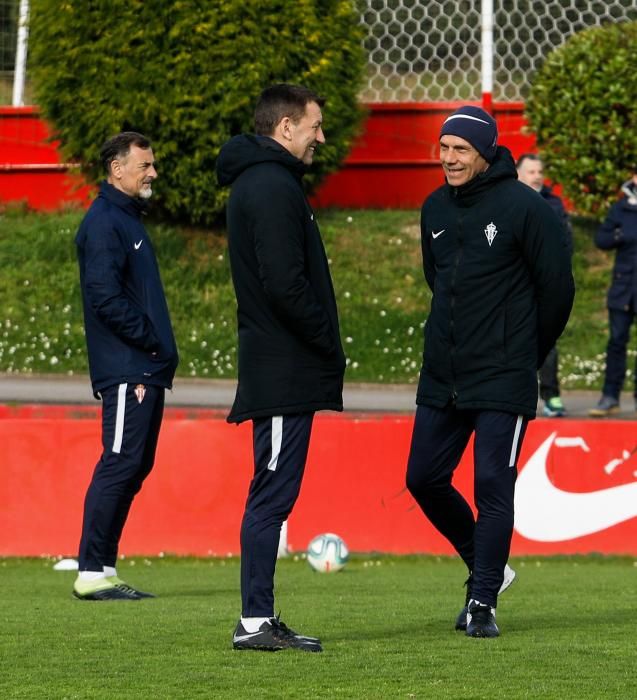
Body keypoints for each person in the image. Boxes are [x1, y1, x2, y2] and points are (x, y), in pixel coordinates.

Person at [406, 106, 574, 638]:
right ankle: (491, 568)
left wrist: (524, 348)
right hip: (444, 372)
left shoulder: (527, 209)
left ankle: (482, 604)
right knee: (423, 478)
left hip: (504, 373)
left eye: (459, 149)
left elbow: (559, 290)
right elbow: (439, 283)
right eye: (443, 147)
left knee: (491, 484)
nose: (448, 158)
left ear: (484, 152)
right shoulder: (433, 208)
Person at [216, 84, 346, 653]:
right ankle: (254, 622)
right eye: (315, 125)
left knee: (275, 492)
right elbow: (284, 284)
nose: (322, 136)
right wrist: (326, 342)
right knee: (271, 494)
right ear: (286, 128)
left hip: (286, 366)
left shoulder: (272, 182)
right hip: (282, 369)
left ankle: (260, 617)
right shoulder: (269, 186)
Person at [73, 132, 179, 600]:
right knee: (119, 462)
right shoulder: (104, 222)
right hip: (129, 369)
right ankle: (91, 571)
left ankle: (103, 568)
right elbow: (104, 298)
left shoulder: (127, 219)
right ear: (117, 169)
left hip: (143, 367)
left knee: (134, 465)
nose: (153, 172)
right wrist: (149, 342)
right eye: (145, 165)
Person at [517, 153, 574, 417]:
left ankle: (551, 396)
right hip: (512, 286)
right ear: (518, 172)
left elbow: (565, 244)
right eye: (531, 171)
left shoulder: (554, 204)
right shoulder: (506, 201)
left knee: (547, 341)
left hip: (542, 286)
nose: (537, 176)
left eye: (540, 171)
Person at [589, 167, 637, 417]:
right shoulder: (620, 208)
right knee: (617, 342)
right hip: (623, 287)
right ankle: (610, 396)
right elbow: (602, 239)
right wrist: (622, 234)